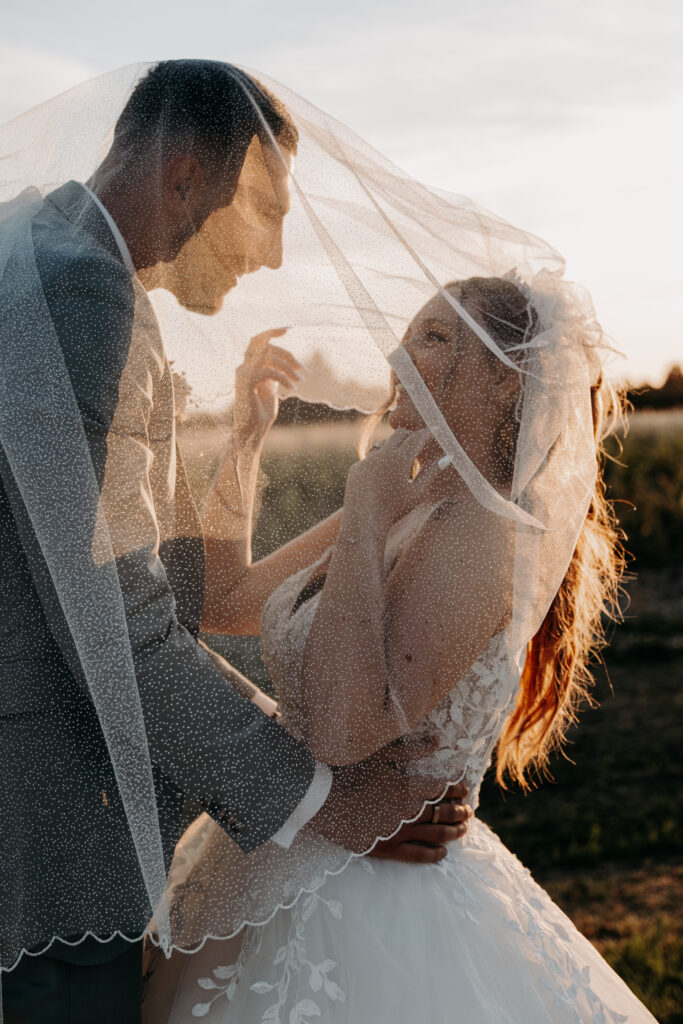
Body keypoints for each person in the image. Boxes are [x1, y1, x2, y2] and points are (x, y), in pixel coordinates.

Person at [0, 61, 469, 1023]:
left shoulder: (40, 250)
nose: (273, 252)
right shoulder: (84, 298)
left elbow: (185, 593)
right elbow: (121, 629)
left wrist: (246, 441)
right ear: (183, 178)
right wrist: (325, 802)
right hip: (43, 854)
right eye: (265, 211)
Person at [151, 277, 658, 1022]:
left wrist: (361, 512)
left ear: (504, 379)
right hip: (276, 862)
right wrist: (246, 438)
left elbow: (342, 731)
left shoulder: (486, 533)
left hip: (373, 904)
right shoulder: (415, 497)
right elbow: (224, 599)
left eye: (434, 337)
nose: (397, 352)